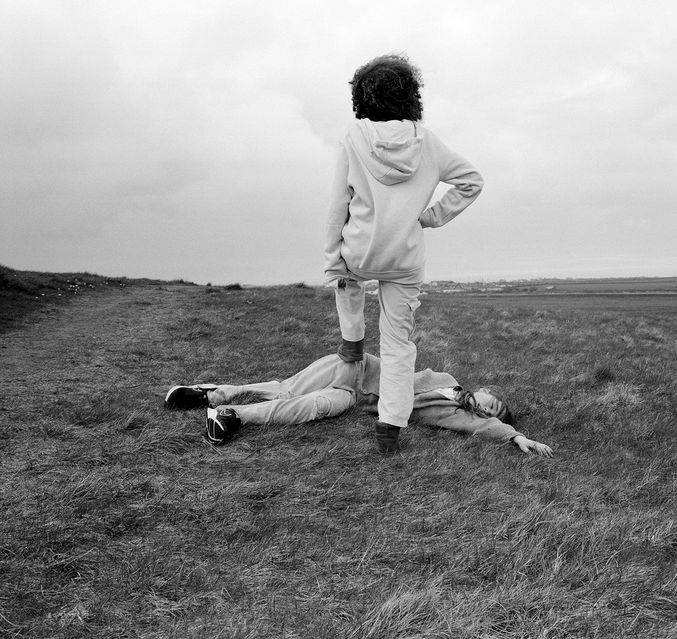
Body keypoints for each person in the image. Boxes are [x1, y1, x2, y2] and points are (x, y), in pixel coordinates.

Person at [323, 54, 484, 453]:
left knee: (345, 278)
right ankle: (389, 430)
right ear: (411, 95)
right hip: (405, 258)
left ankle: (352, 339)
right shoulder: (427, 142)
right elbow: (471, 181)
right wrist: (430, 217)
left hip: (360, 250)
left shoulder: (353, 136)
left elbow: (338, 203)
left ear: (362, 97)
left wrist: (332, 260)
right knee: (398, 345)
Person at [165, 353, 553, 457]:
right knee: (286, 391)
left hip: (353, 396)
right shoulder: (444, 379)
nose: (486, 408)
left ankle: (232, 415)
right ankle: (213, 393)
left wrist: (515, 436)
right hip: (356, 365)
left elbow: (479, 426)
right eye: (491, 402)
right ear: (482, 390)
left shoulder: (448, 413)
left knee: (318, 406)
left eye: (490, 411)